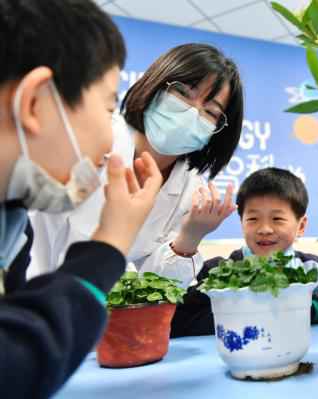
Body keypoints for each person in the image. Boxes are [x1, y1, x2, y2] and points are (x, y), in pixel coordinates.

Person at [0, 0, 163, 397]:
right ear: (35, 101)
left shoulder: (12, 229)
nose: (110, 141)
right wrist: (109, 244)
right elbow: (16, 363)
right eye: (109, 107)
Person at [29, 43, 244, 287]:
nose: (191, 112)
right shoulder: (93, 142)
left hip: (110, 317)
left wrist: (190, 236)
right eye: (183, 93)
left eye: (210, 111)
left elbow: (155, 288)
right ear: (156, 83)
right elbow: (39, 230)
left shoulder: (190, 192)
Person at [171, 167, 318, 337]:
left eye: (277, 219)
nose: (264, 229)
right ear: (242, 223)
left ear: (301, 226)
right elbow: (177, 319)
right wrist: (236, 314)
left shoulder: (315, 270)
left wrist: (305, 308)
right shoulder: (217, 271)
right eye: (253, 219)